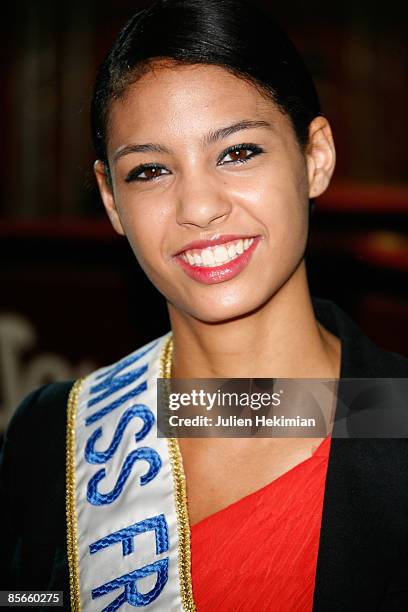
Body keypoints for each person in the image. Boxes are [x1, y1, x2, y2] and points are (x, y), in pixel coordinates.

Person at [1, 0, 407, 610]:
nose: (197, 206)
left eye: (238, 152)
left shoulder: (391, 417)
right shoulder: (51, 436)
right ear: (111, 200)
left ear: (315, 156)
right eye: (149, 171)